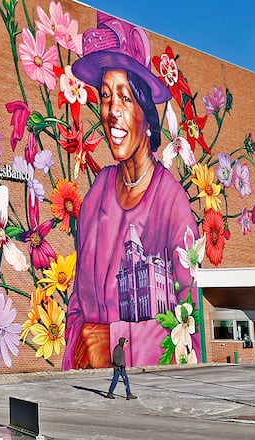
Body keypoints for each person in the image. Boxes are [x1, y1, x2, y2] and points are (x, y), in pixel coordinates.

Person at [62, 13, 202, 370]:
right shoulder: (97, 193)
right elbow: (78, 298)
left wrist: (111, 340)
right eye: (106, 97)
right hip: (86, 381)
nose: (112, 112)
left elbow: (188, 317)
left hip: (146, 390)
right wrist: (81, 342)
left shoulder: (172, 204)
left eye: (124, 98)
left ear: (145, 113)